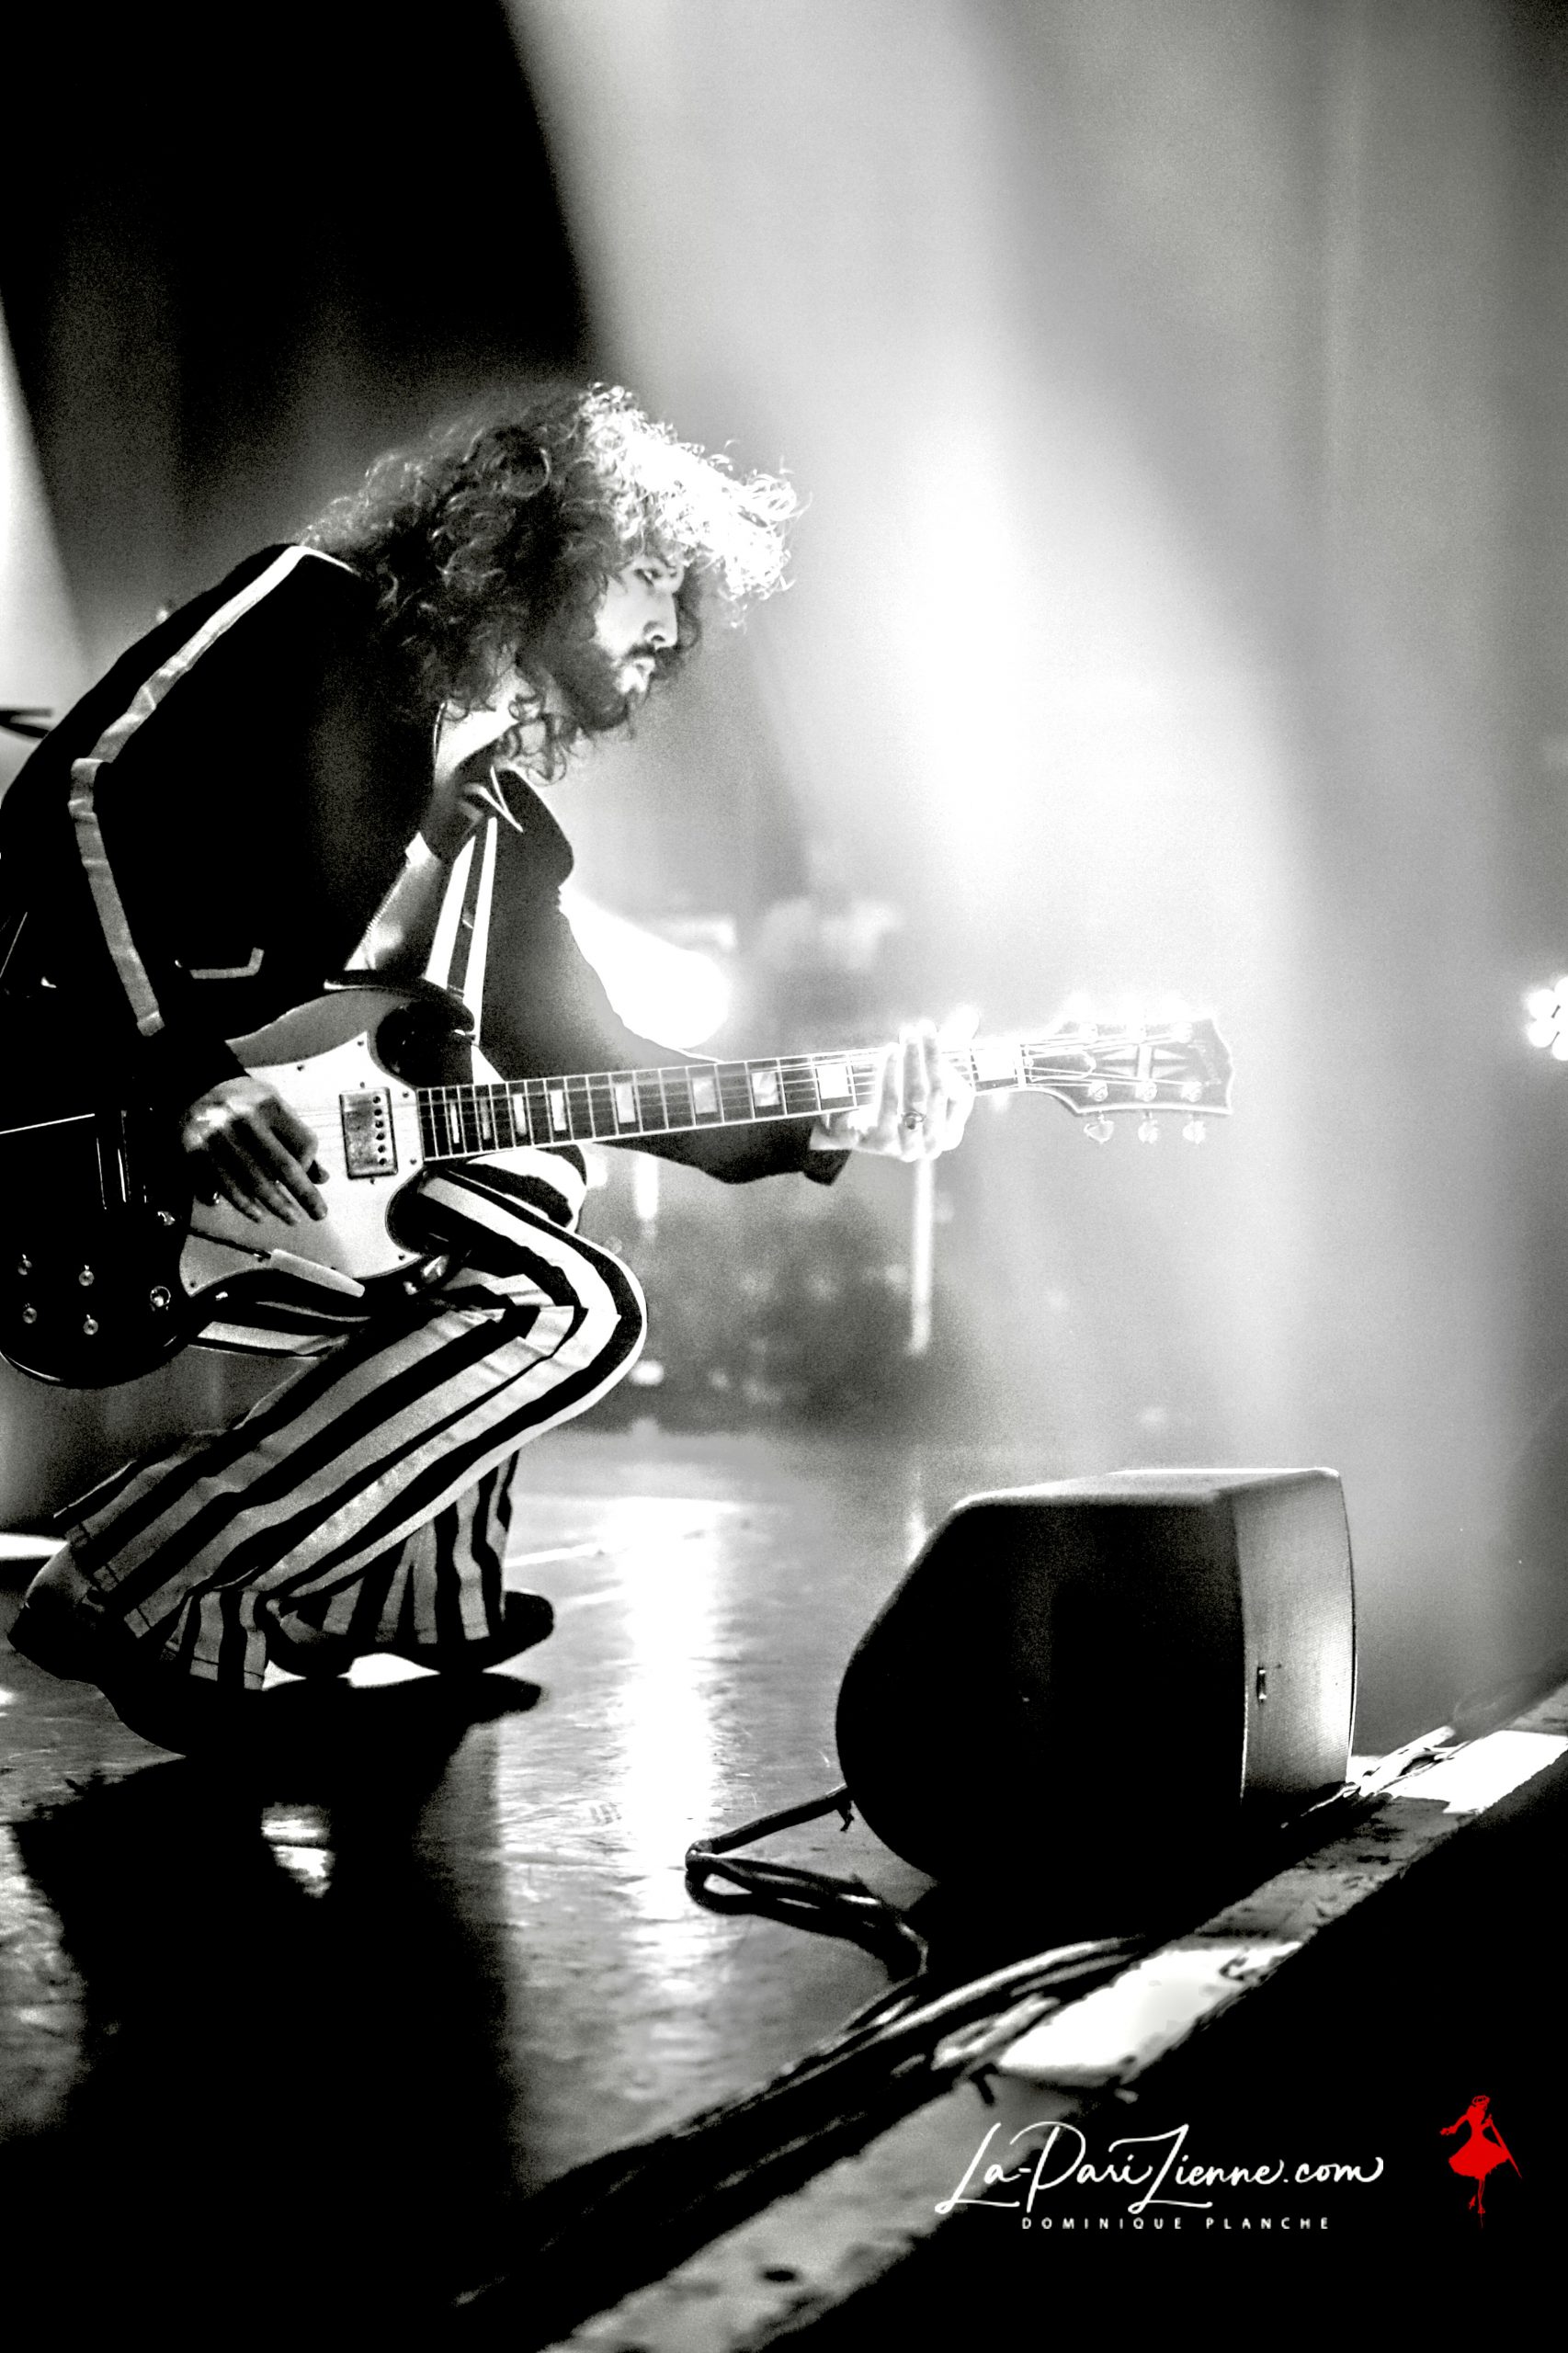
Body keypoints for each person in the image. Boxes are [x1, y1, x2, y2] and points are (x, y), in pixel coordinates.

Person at [0, 383, 973, 1749]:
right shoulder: (315, 612)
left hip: (265, 1182)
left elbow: (593, 1060)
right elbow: (80, 797)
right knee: (558, 1301)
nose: (675, 631)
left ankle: (398, 1595)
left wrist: (833, 1112)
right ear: (563, 537)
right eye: (656, 576)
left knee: (537, 1167)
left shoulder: (508, 827)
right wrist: (185, 1075)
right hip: (78, 1115)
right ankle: (141, 1577)